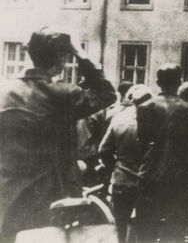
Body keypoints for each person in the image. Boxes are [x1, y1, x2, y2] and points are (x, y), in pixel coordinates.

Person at [0, 27, 116, 242]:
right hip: (51, 198)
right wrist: (80, 53)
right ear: (62, 59)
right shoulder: (62, 94)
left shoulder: (4, 90)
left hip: (7, 196)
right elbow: (107, 94)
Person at [136, 63, 188, 242]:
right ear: (179, 82)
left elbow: (142, 143)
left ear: (157, 82)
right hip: (178, 176)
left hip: (150, 174)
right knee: (174, 229)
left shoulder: (144, 107)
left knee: (146, 229)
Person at [98, 84, 151, 243]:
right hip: (147, 181)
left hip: (122, 179)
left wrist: (114, 166)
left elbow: (104, 150)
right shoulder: (156, 121)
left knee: (119, 224)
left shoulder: (119, 118)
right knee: (146, 226)